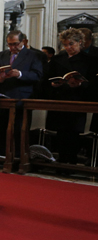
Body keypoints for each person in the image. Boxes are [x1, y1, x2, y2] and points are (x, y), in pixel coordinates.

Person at [42, 28, 95, 164]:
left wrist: (80, 85)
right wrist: (54, 84)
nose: (68, 47)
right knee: (60, 132)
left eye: (71, 44)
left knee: (73, 132)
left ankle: (71, 161)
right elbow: (47, 77)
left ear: (80, 43)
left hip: (77, 99)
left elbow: (93, 82)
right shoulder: (58, 58)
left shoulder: (89, 60)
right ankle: (61, 160)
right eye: (65, 45)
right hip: (60, 97)